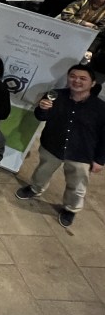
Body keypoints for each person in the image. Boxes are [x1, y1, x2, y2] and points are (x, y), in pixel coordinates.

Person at [15, 64, 105, 227]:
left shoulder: (101, 108)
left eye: (82, 78)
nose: (76, 80)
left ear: (92, 83)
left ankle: (70, 209)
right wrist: (42, 108)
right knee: (42, 171)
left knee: (77, 184)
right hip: (52, 146)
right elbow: (41, 117)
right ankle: (35, 189)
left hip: (81, 154)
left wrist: (100, 160)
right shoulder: (56, 95)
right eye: (73, 76)